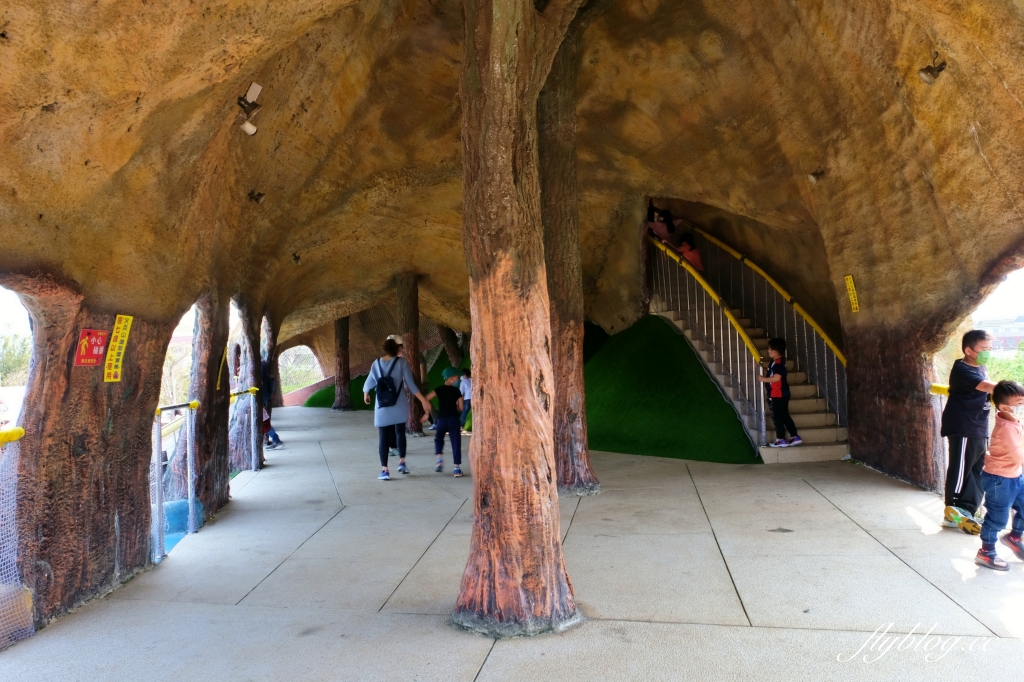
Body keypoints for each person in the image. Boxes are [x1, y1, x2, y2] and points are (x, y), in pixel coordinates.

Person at [941, 329, 996, 534]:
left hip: (979, 427)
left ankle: (967, 510)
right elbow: (986, 386)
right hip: (963, 426)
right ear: (969, 350)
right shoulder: (963, 369)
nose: (988, 353)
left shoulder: (981, 367)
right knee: (961, 468)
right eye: (984, 349)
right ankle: (952, 510)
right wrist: (1012, 389)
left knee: (980, 470)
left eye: (990, 349)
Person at [363, 338, 431, 480]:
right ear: (397, 349)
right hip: (398, 404)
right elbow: (411, 385)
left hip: (382, 406)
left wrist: (366, 393)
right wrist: (423, 400)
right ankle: (402, 463)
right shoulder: (402, 363)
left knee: (383, 437)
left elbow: (368, 383)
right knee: (400, 433)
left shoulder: (376, 364)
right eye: (401, 347)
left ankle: (385, 471)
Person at [974, 380, 1024, 570]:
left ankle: (1014, 537)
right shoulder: (1005, 428)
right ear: (1004, 407)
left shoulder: (1015, 421)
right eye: (1019, 403)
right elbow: (1016, 454)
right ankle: (986, 552)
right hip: (999, 479)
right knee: (997, 518)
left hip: (1016, 475)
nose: (1023, 405)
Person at [758, 338, 802, 448]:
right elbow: (772, 373)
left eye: (769, 349)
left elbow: (776, 378)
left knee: (777, 416)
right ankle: (794, 436)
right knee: (784, 415)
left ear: (774, 351)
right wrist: (763, 371)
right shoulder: (776, 362)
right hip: (782, 393)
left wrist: (763, 379)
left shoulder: (778, 363)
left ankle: (781, 439)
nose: (768, 351)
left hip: (777, 394)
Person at [421, 367, 464, 477]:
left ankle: (439, 459)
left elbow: (426, 398)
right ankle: (456, 469)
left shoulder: (439, 389)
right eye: (457, 377)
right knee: (456, 442)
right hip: (453, 419)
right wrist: (457, 407)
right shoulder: (457, 391)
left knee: (438, 438)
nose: (458, 379)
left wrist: (427, 411)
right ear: (451, 378)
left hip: (441, 419)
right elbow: (461, 408)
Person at [260, 359, 283, 449]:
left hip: (261, 395)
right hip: (264, 395)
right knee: (264, 421)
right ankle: (276, 440)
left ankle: (276, 440)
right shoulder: (264, 364)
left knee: (264, 422)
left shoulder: (259, 365)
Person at [459, 368, 473, 434]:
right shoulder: (473, 380)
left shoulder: (463, 382)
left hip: (467, 398)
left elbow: (461, 392)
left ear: (464, 375)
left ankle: (460, 425)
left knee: (465, 412)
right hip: (474, 398)